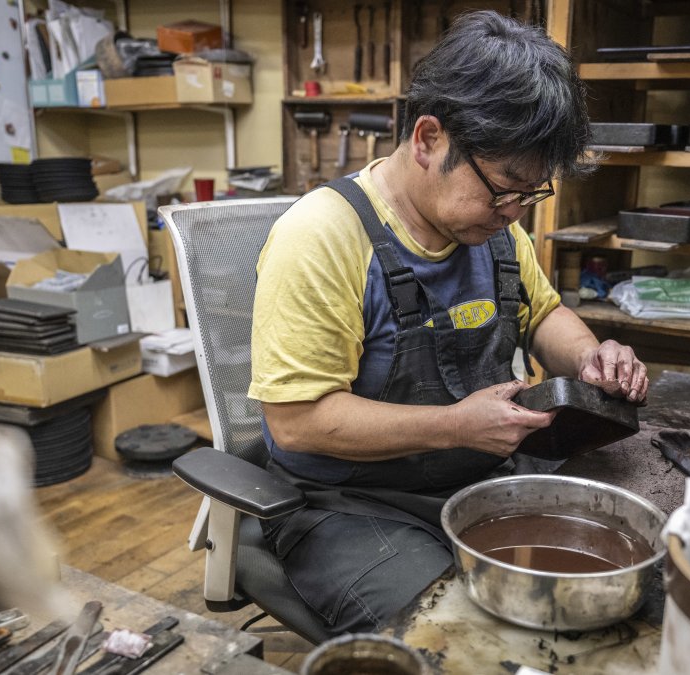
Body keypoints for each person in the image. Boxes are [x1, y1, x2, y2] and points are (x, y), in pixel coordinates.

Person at [249, 10, 648, 636]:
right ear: (429, 138)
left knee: (619, 579)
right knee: (470, 638)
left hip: (483, 478)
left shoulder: (494, 229)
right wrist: (456, 426)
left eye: (532, 194)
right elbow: (296, 421)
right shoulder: (322, 236)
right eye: (504, 187)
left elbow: (543, 313)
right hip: (349, 508)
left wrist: (590, 356)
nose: (515, 211)